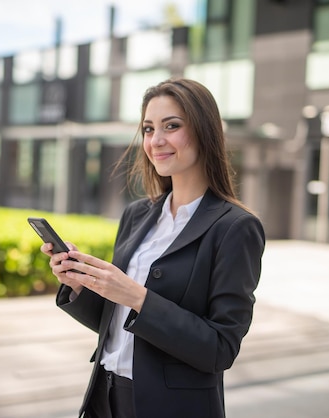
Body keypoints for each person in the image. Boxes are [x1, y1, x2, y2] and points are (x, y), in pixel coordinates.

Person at [41, 78, 265, 418]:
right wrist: (78, 284)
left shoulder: (235, 228)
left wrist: (137, 297)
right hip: (105, 396)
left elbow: (220, 349)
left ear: (205, 132)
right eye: (148, 129)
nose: (156, 141)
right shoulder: (137, 214)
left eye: (171, 126)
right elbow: (114, 323)